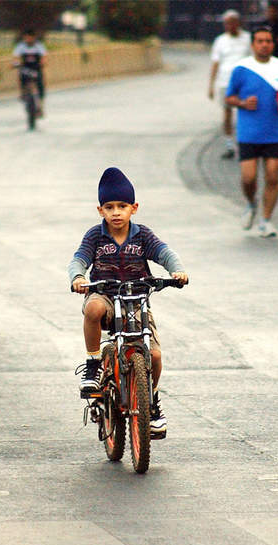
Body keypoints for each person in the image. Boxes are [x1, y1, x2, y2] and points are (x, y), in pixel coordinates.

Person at [68, 167, 189, 438]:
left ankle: (152, 401)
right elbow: (80, 258)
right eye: (109, 207)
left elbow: (164, 252)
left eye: (122, 206)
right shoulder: (95, 236)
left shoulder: (143, 235)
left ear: (134, 208)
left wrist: (176, 271)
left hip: (136, 302)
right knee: (93, 308)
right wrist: (77, 276)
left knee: (154, 355)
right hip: (106, 296)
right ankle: (93, 364)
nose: (116, 212)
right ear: (100, 210)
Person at [225, 27, 278, 238]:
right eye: (260, 41)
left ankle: (266, 221)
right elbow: (229, 98)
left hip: (274, 133)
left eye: (268, 41)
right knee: (248, 178)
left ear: (273, 44)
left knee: (273, 176)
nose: (264, 44)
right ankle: (251, 204)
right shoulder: (241, 68)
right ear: (253, 45)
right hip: (248, 134)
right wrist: (242, 103)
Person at [208, 10, 252, 160]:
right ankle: (229, 145)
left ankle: (245, 143)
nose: (229, 26)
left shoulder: (247, 38)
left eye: (232, 22)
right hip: (225, 81)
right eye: (227, 23)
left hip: (244, 82)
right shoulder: (220, 41)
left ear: (238, 23)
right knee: (227, 114)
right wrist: (211, 85)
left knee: (245, 111)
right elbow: (215, 63)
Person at [12, 30, 47, 117]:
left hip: (36, 68)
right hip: (25, 68)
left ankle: (39, 107)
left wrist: (43, 63)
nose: (28, 39)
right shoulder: (21, 46)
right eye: (26, 37)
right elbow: (16, 57)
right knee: (21, 77)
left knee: (40, 86)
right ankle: (22, 93)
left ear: (34, 37)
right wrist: (15, 64)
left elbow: (44, 57)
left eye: (30, 37)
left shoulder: (39, 46)